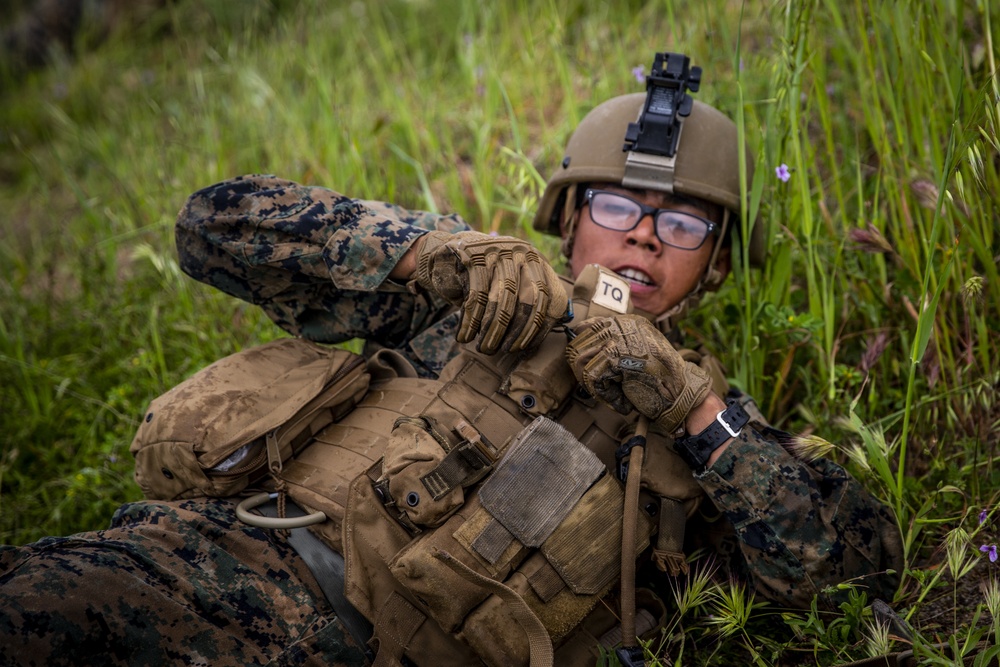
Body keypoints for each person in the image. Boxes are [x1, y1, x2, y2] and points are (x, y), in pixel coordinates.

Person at [0, 52, 903, 667]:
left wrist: (697, 413)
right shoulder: (479, 298)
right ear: (570, 215)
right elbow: (213, 224)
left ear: (714, 257)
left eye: (682, 224)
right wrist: (424, 250)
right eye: (617, 210)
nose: (644, 243)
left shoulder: (706, 439)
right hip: (216, 567)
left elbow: (853, 572)